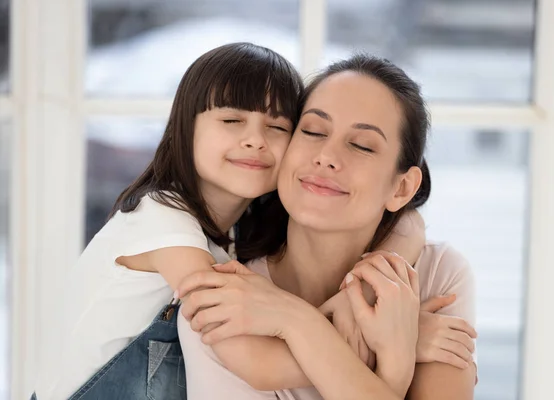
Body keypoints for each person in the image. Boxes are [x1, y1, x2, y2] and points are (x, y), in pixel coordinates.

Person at [176, 54, 478, 399]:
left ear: (402, 188)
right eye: (313, 131)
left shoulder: (439, 274)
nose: (327, 156)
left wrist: (295, 321)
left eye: (361, 145)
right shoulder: (227, 305)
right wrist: (394, 360)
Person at [33, 42, 305, 400]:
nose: (255, 140)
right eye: (231, 120)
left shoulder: (238, 234)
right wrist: (341, 340)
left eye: (278, 127)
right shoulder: (164, 223)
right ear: (184, 128)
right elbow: (256, 364)